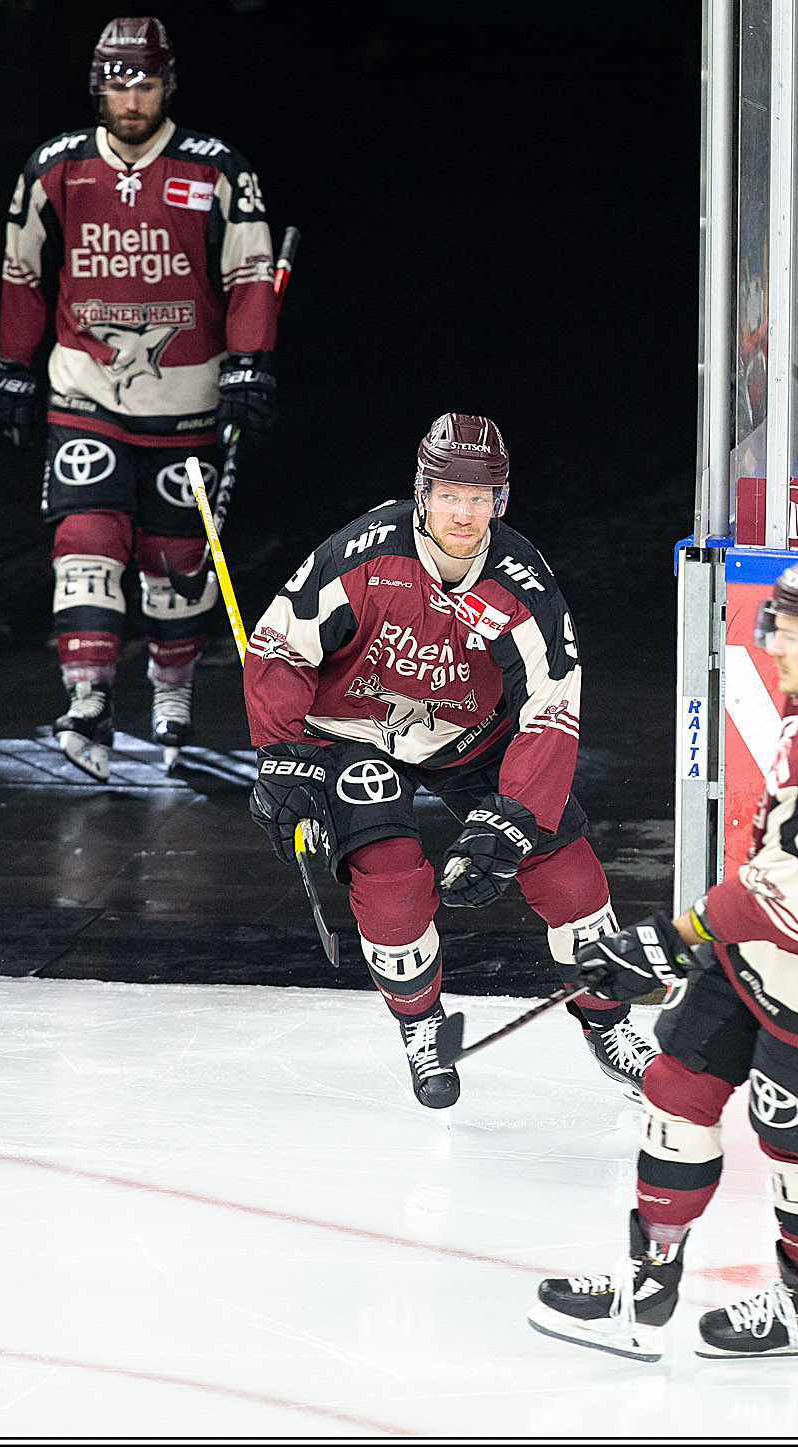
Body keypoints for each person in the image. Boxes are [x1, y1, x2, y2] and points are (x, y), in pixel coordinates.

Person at [530, 551, 798, 1361]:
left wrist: (666, 941)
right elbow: (770, 883)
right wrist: (689, 940)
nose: (774, 644)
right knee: (676, 1089)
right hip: (757, 950)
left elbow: (789, 898)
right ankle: (646, 1289)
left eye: (790, 629)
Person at [243, 412, 658, 1109]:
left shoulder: (522, 583)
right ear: (422, 492)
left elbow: (551, 707)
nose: (463, 513)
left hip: (472, 734)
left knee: (571, 878)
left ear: (501, 500)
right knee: (393, 884)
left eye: (479, 496)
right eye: (447, 494)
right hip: (357, 729)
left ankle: (611, 1025)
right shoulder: (365, 552)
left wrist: (515, 818)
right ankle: (420, 1022)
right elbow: (282, 645)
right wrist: (282, 752)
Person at [0, 16, 278, 779]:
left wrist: (249, 363)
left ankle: (171, 692)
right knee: (85, 543)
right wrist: (12, 368)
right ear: (96, 86)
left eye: (146, 81)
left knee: (177, 564)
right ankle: (87, 701)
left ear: (168, 84)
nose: (133, 96)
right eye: (119, 81)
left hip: (187, 404)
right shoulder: (55, 167)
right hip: (85, 396)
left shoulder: (216, 168)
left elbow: (250, 274)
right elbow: (22, 276)